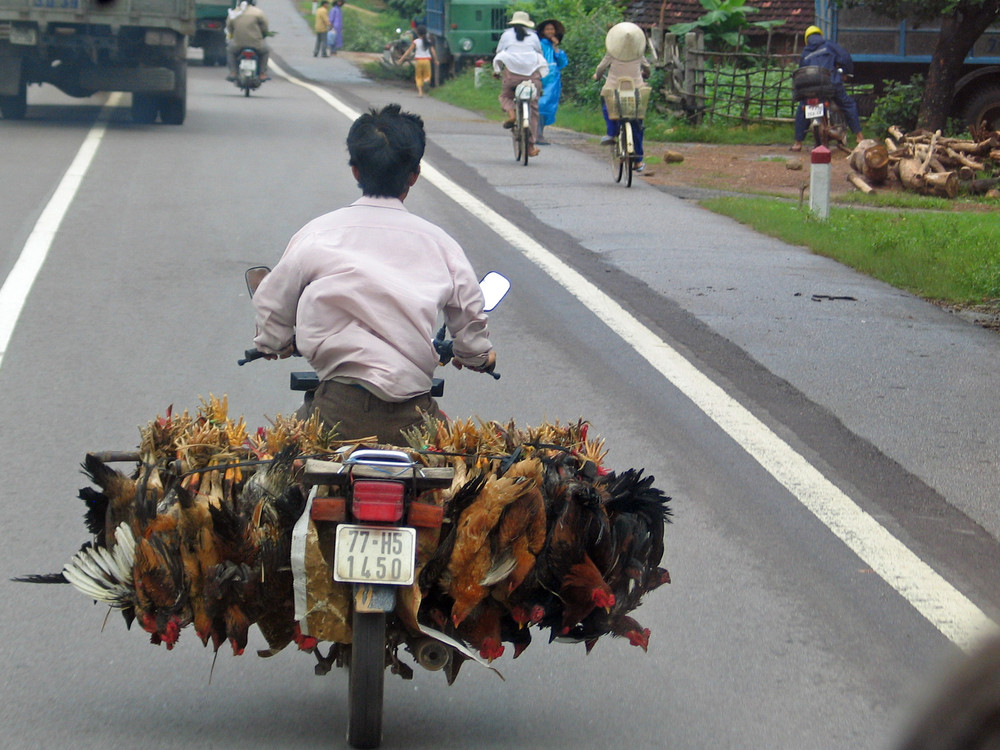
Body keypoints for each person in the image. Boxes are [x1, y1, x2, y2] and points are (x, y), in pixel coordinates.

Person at [250, 104, 497, 445]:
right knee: (455, 479)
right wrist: (477, 355)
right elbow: (470, 314)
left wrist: (272, 341)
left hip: (334, 412)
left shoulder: (317, 234)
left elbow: (273, 300)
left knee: (271, 459)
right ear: (414, 174)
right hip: (413, 418)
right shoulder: (440, 244)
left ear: (355, 171)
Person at [791, 25, 863, 151]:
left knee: (802, 109)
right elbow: (845, 57)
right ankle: (859, 136)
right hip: (831, 84)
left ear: (807, 39)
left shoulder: (805, 53)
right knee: (848, 105)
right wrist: (846, 72)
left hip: (810, 89)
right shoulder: (829, 45)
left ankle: (798, 143)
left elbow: (801, 73)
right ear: (820, 35)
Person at [593, 22, 651, 172]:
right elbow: (648, 68)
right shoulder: (638, 53)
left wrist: (597, 76)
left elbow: (600, 68)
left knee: (608, 108)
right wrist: (646, 74)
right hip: (635, 89)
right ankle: (638, 161)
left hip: (614, 88)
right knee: (637, 122)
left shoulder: (612, 53)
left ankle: (611, 133)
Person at [494, 10, 546, 157]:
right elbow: (539, 54)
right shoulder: (534, 36)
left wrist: (496, 71)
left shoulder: (506, 35)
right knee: (533, 108)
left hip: (512, 77)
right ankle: (530, 146)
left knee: (506, 96)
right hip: (532, 78)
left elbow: (499, 52)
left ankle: (512, 114)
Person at [536, 19, 568, 145]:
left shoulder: (553, 46)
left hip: (553, 79)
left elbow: (562, 63)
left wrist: (556, 47)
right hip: (540, 75)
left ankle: (539, 134)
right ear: (543, 31)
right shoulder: (539, 44)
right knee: (540, 105)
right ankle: (536, 134)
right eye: (547, 29)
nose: (550, 31)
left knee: (547, 106)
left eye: (552, 29)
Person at [226, 0, 270, 81]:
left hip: (237, 44)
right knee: (265, 51)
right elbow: (264, 28)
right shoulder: (258, 13)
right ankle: (262, 74)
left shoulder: (234, 13)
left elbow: (229, 28)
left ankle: (233, 72)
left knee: (230, 51)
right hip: (256, 44)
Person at [399, 25, 436, 97]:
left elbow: (409, 51)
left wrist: (401, 59)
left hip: (419, 61)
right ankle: (426, 81)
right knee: (427, 76)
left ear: (418, 33)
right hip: (427, 61)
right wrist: (436, 60)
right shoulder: (428, 41)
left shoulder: (416, 42)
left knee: (418, 77)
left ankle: (420, 93)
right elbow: (433, 51)